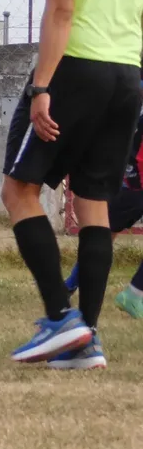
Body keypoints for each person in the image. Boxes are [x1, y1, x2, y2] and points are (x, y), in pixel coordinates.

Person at [1, 0, 143, 371]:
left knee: (19, 191)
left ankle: (63, 320)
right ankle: (90, 339)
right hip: (127, 75)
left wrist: (42, 86)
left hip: (75, 70)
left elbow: (62, 5)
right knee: (95, 204)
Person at [65, 70, 143, 316]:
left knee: (103, 234)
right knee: (103, 234)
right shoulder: (133, 87)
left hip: (131, 175)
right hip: (136, 177)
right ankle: (133, 293)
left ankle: (68, 286)